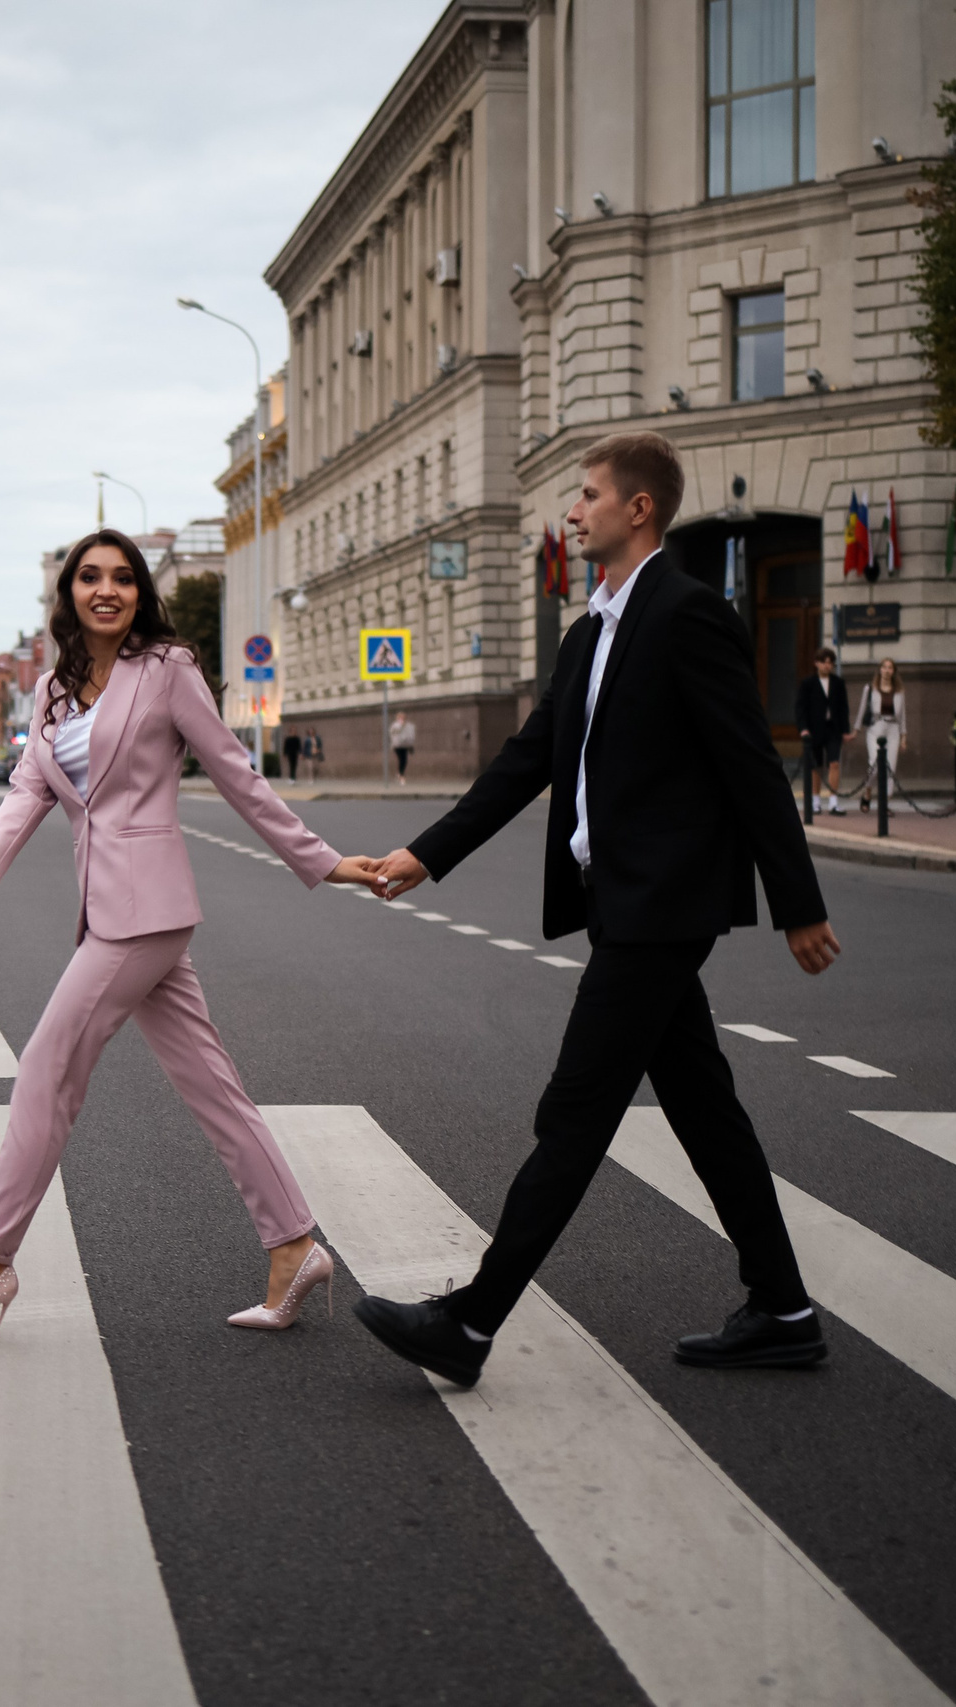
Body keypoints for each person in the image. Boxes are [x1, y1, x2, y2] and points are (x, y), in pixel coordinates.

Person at [352, 432, 842, 1385]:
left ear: (638, 509)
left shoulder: (688, 615)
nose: (573, 512)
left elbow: (750, 761)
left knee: (575, 1110)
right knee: (703, 1107)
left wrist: (799, 903)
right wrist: (426, 854)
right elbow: (526, 761)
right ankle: (783, 1307)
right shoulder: (587, 633)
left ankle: (471, 1322)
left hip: (665, 904)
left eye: (587, 495)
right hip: (619, 900)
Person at [0, 528, 383, 1344]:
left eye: (123, 578)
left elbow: (237, 774)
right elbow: (30, 788)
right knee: (213, 1086)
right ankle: (294, 1244)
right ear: (68, 592)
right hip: (111, 908)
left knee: (47, 1071)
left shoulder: (167, 670)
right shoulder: (53, 689)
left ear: (139, 593)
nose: (107, 590)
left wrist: (324, 860)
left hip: (146, 911)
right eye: (90, 577)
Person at [794, 647, 851, 815]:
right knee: (816, 766)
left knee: (834, 763)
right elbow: (801, 708)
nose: (827, 666)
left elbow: (843, 708)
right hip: (814, 729)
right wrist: (803, 729)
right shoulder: (808, 683)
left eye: (830, 663)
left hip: (833, 728)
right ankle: (816, 801)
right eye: (824, 662)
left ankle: (833, 802)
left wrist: (845, 730)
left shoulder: (838, 683)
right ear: (816, 663)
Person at [854, 658, 905, 812]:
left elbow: (903, 715)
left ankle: (885, 803)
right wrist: (856, 729)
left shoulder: (899, 691)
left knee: (890, 768)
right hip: (875, 728)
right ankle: (868, 791)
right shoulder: (870, 688)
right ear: (880, 670)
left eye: (890, 668)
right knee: (874, 765)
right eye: (884, 667)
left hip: (893, 729)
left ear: (893, 671)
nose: (887, 670)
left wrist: (904, 736)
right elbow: (862, 708)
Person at [389, 712, 418, 782]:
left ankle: (400, 774)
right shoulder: (395, 725)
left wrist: (410, 744)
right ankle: (401, 775)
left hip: (405, 745)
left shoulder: (408, 725)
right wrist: (400, 725)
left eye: (403, 717)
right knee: (401, 759)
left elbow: (410, 734)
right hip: (397, 745)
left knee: (404, 760)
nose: (402, 719)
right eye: (400, 717)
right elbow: (393, 732)